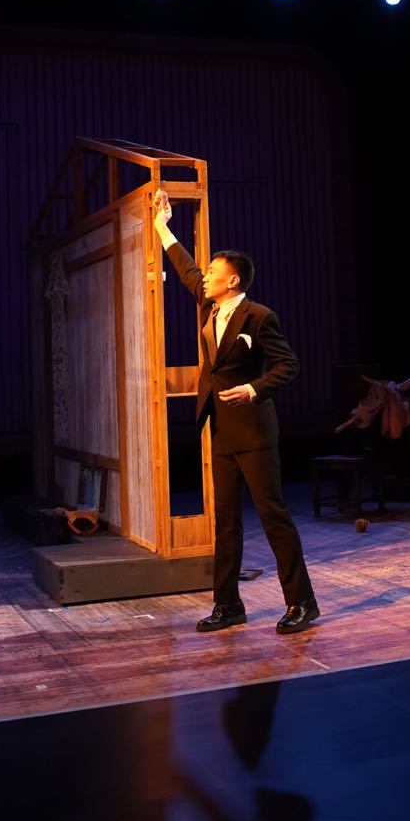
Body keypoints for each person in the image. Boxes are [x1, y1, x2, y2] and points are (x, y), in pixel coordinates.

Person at [153, 188, 319, 634]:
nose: (205, 276)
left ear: (233, 281)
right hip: (221, 429)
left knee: (272, 515)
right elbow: (186, 269)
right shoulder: (209, 305)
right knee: (225, 521)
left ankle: (302, 602)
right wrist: (163, 228)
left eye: (213, 272)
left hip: (254, 431)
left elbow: (288, 365)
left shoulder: (259, 317)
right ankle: (228, 605)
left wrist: (253, 388)